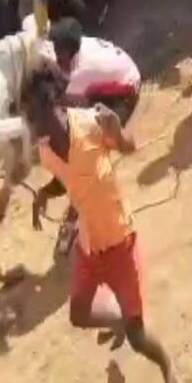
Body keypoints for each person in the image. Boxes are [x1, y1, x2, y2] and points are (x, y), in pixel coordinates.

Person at [22, 71, 177, 383]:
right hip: (89, 245)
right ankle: (121, 320)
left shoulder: (92, 124)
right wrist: (42, 195)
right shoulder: (46, 151)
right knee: (79, 313)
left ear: (52, 104)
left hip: (120, 239)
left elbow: (129, 148)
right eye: (27, 117)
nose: (30, 125)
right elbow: (64, 179)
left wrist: (118, 135)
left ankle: (169, 370)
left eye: (33, 115)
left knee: (137, 337)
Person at [34, 17, 142, 253]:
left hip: (123, 92)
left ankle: (75, 216)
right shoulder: (65, 50)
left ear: (71, 54)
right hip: (110, 78)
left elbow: (63, 105)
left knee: (80, 149)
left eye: (60, 58)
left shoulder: (79, 74)